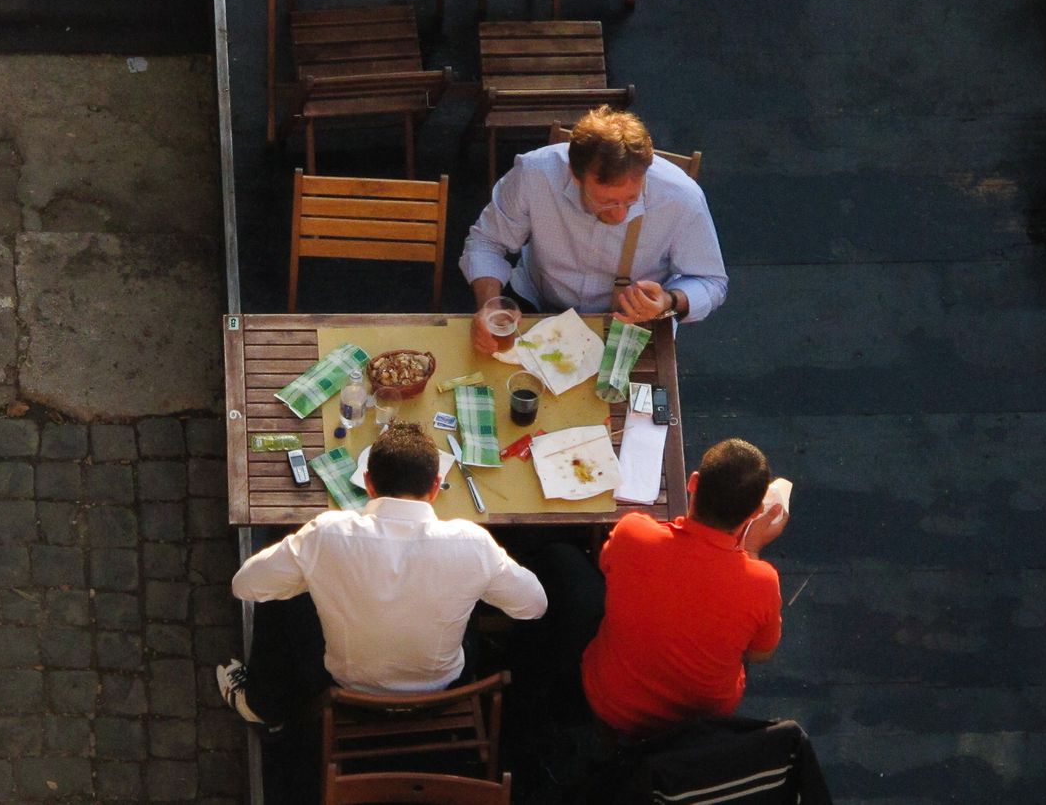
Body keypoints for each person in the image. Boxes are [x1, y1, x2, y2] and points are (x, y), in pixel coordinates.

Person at [217, 425, 547, 729]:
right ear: (435, 487)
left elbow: (245, 585)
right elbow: (534, 606)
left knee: (279, 596)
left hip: (348, 692)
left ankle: (263, 706)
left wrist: (317, 579)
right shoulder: (473, 543)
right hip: (441, 693)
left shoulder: (327, 534)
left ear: (369, 483)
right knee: (472, 593)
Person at [460, 106, 727, 352]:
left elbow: (711, 282)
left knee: (642, 405)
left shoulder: (681, 197)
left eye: (631, 200)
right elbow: (486, 242)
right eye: (607, 202)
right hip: (539, 308)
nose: (621, 215)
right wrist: (489, 304)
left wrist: (669, 300)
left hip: (631, 324)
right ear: (576, 177)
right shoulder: (534, 173)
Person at [577, 438, 787, 737]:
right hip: (700, 727)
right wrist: (750, 551)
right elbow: (759, 654)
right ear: (755, 512)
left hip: (612, 706)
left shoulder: (633, 534)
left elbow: (606, 565)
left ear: (693, 483)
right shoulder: (763, 583)